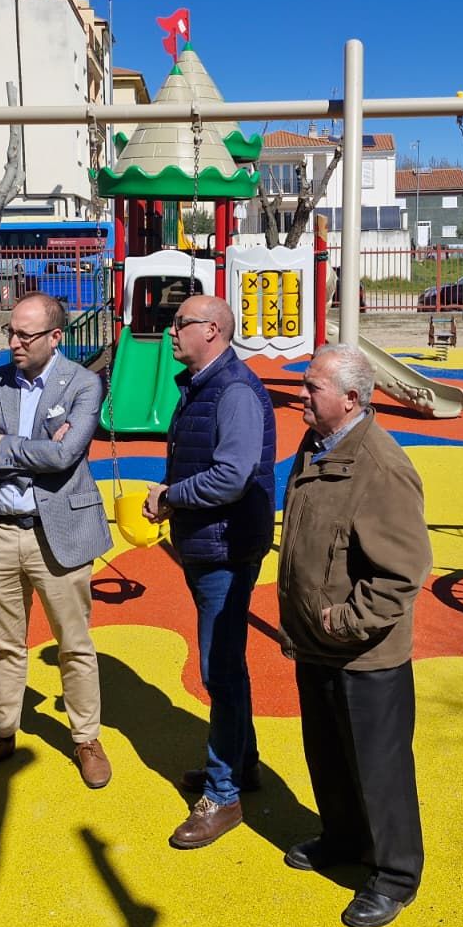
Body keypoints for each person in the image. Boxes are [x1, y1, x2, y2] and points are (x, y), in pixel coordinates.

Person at [277, 344, 431, 927]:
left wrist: (340, 621)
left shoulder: (382, 469)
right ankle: (342, 840)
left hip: (365, 653)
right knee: (330, 757)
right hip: (316, 641)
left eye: (312, 388)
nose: (300, 395)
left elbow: (401, 575)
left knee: (378, 768)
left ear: (350, 399)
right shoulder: (318, 445)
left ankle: (394, 875)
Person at [0, 292, 114, 789]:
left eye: (26, 334)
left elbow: (67, 455)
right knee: (4, 644)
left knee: (74, 643)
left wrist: (4, 444)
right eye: (11, 331)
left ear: (55, 338)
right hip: (0, 532)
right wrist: (32, 449)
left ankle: (86, 737)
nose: (15, 342)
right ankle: (1, 734)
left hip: (57, 532)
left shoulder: (84, 382)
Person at [143, 294, 276, 848]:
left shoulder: (233, 391)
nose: (171, 331)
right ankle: (241, 762)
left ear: (214, 330)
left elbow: (231, 476)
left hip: (225, 547)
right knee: (228, 666)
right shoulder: (203, 385)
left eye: (181, 323)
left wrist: (172, 496)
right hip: (210, 543)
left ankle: (223, 796)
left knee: (218, 670)